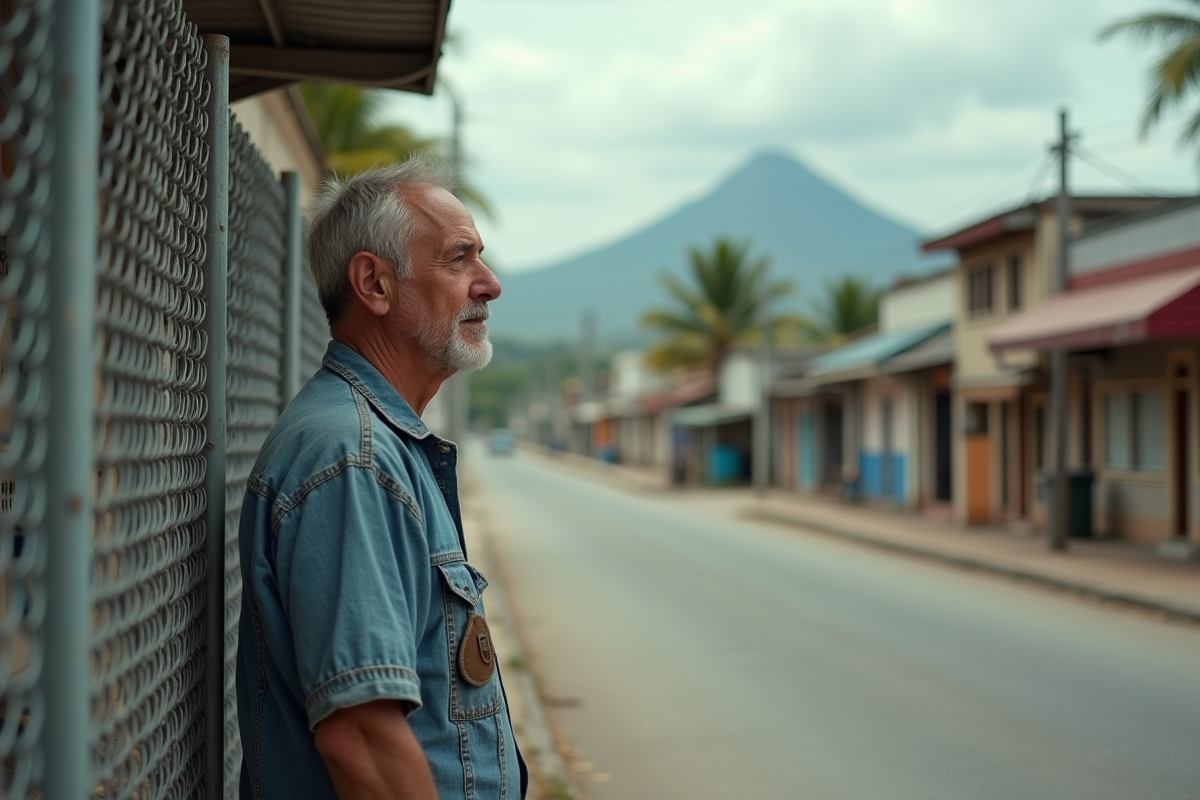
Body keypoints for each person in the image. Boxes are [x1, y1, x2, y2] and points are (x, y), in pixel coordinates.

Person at [236, 159, 526, 800]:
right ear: (374, 284)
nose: (490, 284)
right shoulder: (355, 461)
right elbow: (360, 739)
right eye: (460, 258)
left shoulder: (376, 444)